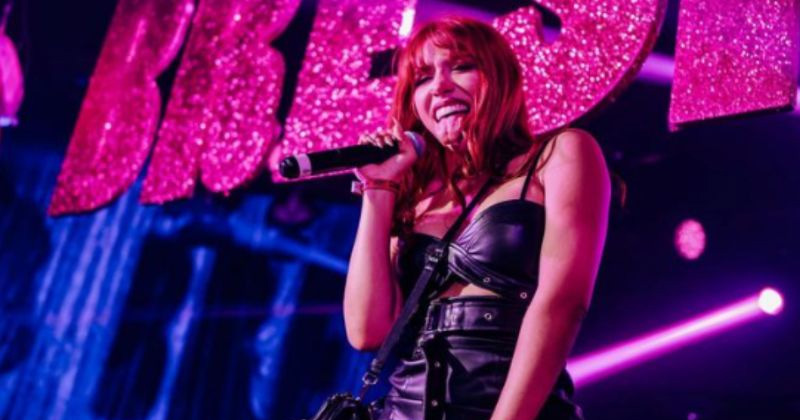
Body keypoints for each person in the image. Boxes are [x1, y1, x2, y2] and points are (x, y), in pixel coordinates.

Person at [344, 16, 610, 420]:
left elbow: (562, 304)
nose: (440, 86)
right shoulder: (414, 197)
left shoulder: (559, 155)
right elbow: (367, 331)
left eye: (462, 66)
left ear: (500, 79)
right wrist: (378, 189)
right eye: (423, 78)